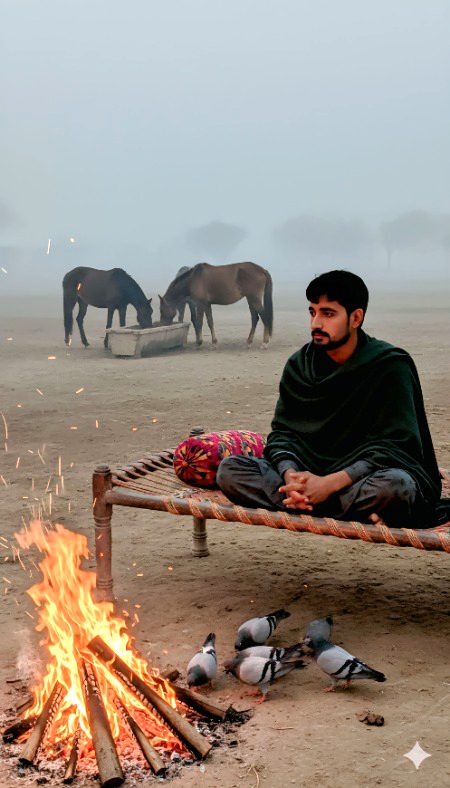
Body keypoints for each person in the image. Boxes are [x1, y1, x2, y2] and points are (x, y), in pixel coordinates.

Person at [217, 270, 443, 529]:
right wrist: (291, 477)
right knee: (230, 470)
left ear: (356, 318)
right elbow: (283, 435)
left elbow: (396, 446)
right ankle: (322, 502)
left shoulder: (389, 365)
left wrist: (328, 485)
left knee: (397, 486)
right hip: (311, 471)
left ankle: (307, 502)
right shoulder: (299, 366)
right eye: (312, 312)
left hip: (361, 476)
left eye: (328, 314)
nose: (316, 324)